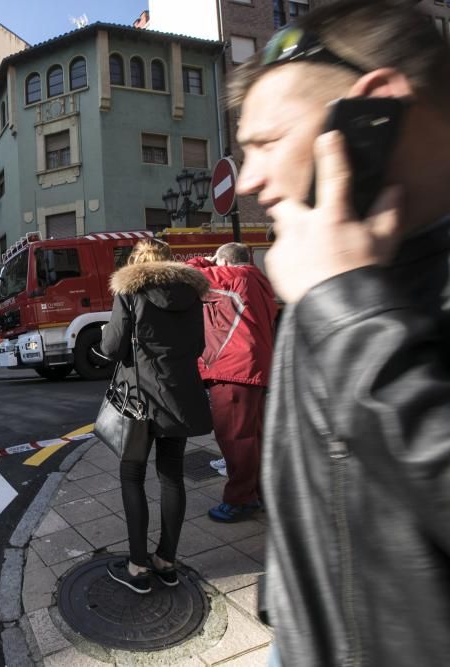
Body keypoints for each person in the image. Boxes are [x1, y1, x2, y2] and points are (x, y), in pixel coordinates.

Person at [229, 2, 450, 664]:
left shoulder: (334, 284)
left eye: (268, 142)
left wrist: (348, 307)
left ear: (372, 111)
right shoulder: (328, 256)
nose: (247, 180)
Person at [100, 238, 212, 594]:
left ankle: (137, 566)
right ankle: (166, 561)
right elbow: (199, 346)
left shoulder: (130, 292)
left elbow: (112, 347)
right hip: (180, 397)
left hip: (141, 399)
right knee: (172, 477)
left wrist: (109, 333)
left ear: (136, 262)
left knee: (132, 475)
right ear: (169, 262)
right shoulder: (191, 295)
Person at [186, 244, 278, 522]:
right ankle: (259, 492)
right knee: (253, 437)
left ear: (224, 262)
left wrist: (204, 259)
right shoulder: (257, 279)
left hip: (233, 367)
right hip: (254, 366)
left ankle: (240, 500)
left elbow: (185, 275)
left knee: (235, 438)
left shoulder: (231, 277)